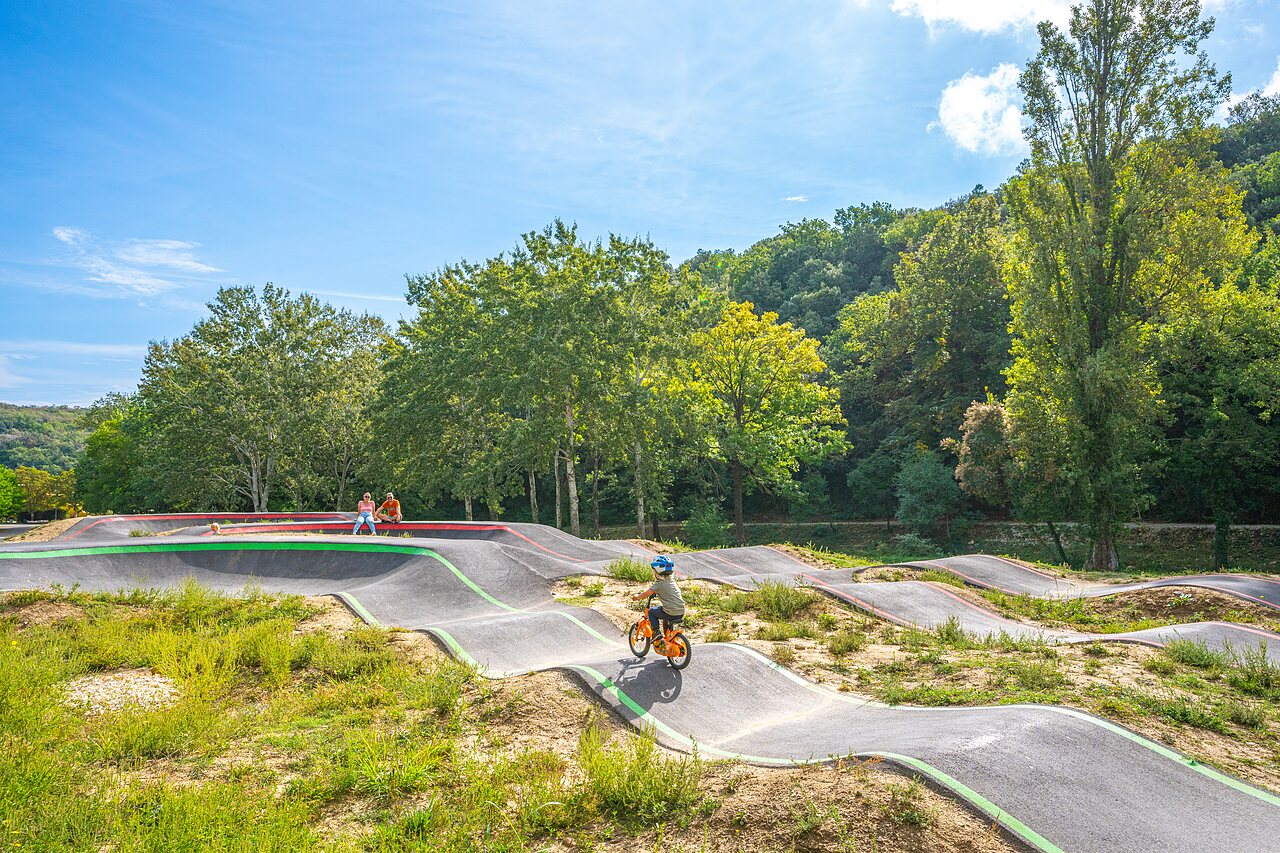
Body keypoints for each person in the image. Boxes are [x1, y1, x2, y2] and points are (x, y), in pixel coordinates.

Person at [630, 555, 686, 642]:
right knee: (665, 618)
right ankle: (669, 639)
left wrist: (637, 597)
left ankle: (656, 633)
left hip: (670, 611)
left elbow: (646, 594)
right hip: (681, 611)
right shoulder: (671, 581)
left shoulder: (659, 584)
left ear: (656, 571)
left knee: (651, 612)